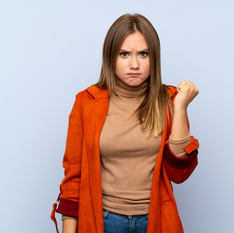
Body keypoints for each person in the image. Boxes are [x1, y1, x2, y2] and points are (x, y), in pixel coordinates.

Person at [51, 13, 200, 233]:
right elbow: (74, 177)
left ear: (154, 58)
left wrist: (180, 108)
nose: (134, 64)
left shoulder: (170, 99)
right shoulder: (86, 102)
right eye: (124, 54)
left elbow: (178, 174)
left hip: (156, 219)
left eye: (143, 54)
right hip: (104, 221)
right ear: (111, 57)